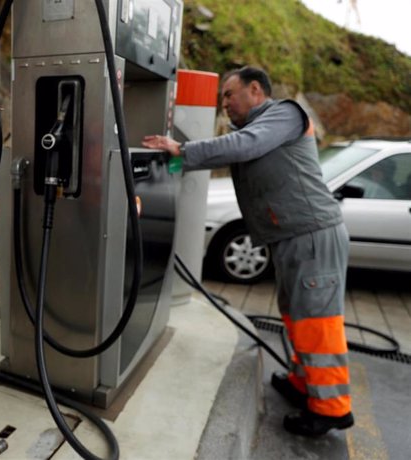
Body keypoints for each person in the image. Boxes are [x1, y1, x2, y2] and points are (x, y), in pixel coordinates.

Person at [143, 66, 354, 437]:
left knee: (317, 319)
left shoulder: (284, 114)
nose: (223, 103)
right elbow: (230, 151)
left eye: (229, 94)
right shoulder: (253, 131)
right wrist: (164, 163)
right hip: (291, 237)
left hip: (311, 234)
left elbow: (244, 146)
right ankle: (304, 382)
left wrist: (182, 148)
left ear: (255, 90)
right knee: (297, 315)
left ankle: (332, 407)